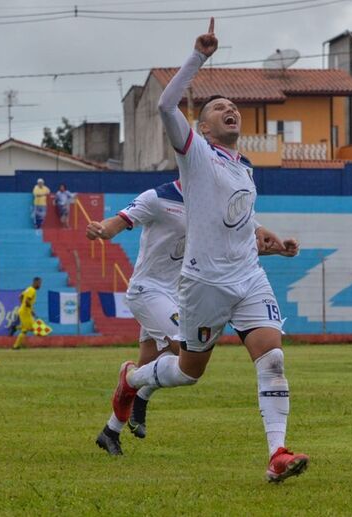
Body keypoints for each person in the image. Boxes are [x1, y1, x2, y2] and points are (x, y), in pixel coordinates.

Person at [107, 19, 309, 483]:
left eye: (233, 106)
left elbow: (237, 220)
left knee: (273, 358)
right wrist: (198, 56)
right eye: (219, 108)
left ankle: (277, 454)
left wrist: (272, 243)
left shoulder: (245, 167)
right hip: (204, 283)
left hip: (248, 277)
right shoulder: (195, 153)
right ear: (201, 127)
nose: (230, 110)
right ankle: (133, 380)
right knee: (189, 370)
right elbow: (163, 104)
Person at [90, 180, 187, 451]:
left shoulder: (209, 200)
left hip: (178, 295)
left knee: (145, 369)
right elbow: (120, 220)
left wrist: (271, 246)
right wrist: (104, 230)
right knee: (186, 350)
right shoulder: (158, 197)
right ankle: (141, 395)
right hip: (149, 292)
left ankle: (110, 432)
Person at [12, 277, 42, 350]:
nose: (40, 285)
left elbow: (20, 297)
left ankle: (16, 330)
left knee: (26, 329)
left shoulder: (28, 288)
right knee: (29, 329)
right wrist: (30, 310)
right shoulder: (32, 290)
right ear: (35, 282)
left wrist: (23, 306)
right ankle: (16, 345)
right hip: (25, 312)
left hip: (23, 310)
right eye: (39, 283)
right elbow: (27, 301)